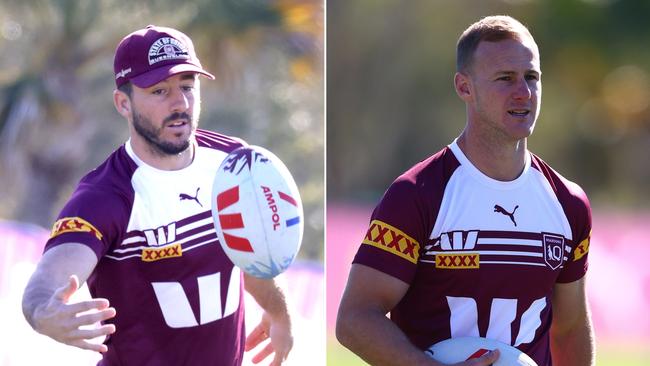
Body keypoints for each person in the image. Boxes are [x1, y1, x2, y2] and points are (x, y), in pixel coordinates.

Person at [22, 25, 293, 366]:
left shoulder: (235, 166)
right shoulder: (105, 197)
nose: (180, 103)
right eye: (159, 91)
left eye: (187, 87)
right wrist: (44, 312)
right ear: (123, 103)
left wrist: (279, 312)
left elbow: (251, 254)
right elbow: (47, 281)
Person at [336, 15, 594, 366]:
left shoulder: (569, 203)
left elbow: (571, 326)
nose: (524, 92)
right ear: (464, 87)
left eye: (531, 77)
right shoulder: (416, 194)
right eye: (505, 78)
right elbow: (355, 318)